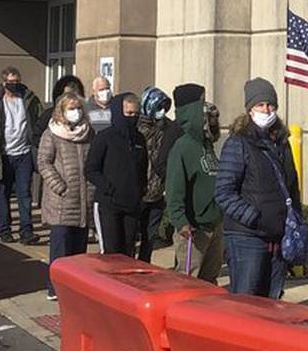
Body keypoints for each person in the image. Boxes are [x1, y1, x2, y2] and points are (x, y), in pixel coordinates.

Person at [215, 78, 299, 298]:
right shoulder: (238, 142)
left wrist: (296, 220)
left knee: (272, 302)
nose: (266, 109)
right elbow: (224, 192)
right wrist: (254, 217)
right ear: (250, 108)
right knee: (246, 303)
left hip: (278, 237)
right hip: (247, 237)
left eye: (270, 105)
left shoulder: (282, 142)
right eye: (260, 105)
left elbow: (291, 187)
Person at [0, 67, 45, 244]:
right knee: (2, 194)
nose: (14, 85)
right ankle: (4, 229)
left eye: (16, 82)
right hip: (2, 155)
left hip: (24, 154)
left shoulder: (30, 99)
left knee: (24, 193)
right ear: (3, 82)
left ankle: (26, 231)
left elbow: (38, 122)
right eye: (10, 82)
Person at [38, 92, 94, 299]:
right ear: (62, 110)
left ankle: (74, 288)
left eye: (78, 108)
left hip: (83, 198)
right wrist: (59, 185)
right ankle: (55, 288)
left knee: (79, 249)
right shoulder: (51, 133)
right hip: (60, 200)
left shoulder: (88, 133)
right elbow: (43, 162)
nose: (75, 112)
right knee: (61, 245)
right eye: (71, 108)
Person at [166, 95, 224, 282]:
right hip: (193, 227)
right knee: (188, 279)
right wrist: (180, 221)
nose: (214, 123)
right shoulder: (182, 147)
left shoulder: (208, 146)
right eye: (210, 119)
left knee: (210, 279)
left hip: (214, 224)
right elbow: (175, 188)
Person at [84, 93, 147, 256]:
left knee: (128, 251)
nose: (133, 118)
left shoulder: (139, 139)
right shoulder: (104, 138)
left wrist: (140, 191)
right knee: (111, 253)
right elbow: (90, 169)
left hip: (131, 205)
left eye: (136, 114)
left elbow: (142, 169)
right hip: (108, 204)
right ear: (119, 112)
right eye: (129, 113)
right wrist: (108, 187)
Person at [135, 86, 173, 260]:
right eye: (158, 107)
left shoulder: (167, 129)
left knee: (149, 239)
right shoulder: (136, 129)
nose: (162, 112)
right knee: (131, 239)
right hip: (138, 194)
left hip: (157, 193)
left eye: (164, 108)